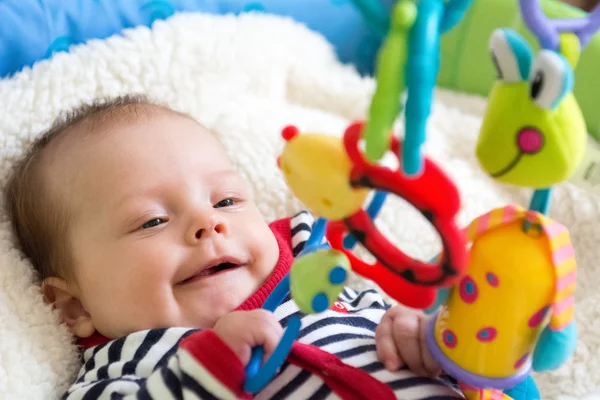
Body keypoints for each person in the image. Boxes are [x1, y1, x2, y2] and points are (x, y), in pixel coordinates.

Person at [4, 94, 463, 399]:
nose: (208, 223)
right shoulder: (128, 364)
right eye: (153, 221)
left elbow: (399, 319)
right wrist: (212, 367)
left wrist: (424, 339)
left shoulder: (315, 265)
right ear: (72, 307)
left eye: (226, 200)